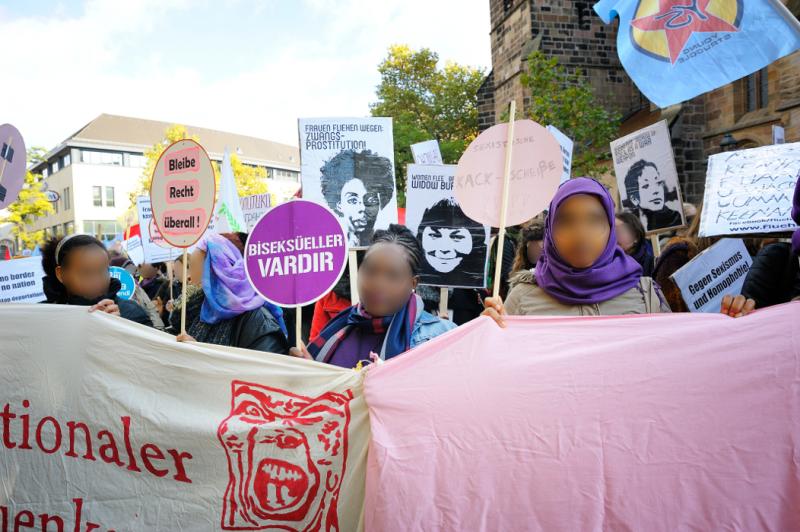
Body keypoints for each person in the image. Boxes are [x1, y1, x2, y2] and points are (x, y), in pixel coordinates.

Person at [482, 178, 756, 321]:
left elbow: (673, 362)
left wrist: (726, 324)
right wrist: (490, 332)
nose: (581, 235)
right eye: (566, 222)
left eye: (594, 221)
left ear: (611, 228)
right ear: (550, 231)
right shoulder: (522, 297)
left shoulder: (645, 293)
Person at [291, 224, 456, 368]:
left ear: (413, 283)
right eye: (370, 271)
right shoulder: (338, 329)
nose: (378, 284)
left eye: (393, 276)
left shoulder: (440, 338)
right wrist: (309, 372)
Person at [173, 233, 289, 353]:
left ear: (216, 273)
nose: (189, 278)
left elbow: (263, 368)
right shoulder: (203, 311)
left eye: (193, 269)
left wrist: (202, 356)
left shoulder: (258, 321)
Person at [41, 234, 153, 326]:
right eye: (86, 273)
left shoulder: (131, 312)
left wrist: (120, 330)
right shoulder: (43, 317)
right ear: (61, 274)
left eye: (102, 271)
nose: (96, 281)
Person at [320, 149, 395, 247]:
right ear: (339, 205)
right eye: (353, 200)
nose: (362, 208)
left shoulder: (389, 249)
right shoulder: (329, 251)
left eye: (371, 200)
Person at [415, 198, 488, 287]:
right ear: (421, 238)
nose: (444, 249)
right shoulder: (411, 296)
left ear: (475, 241)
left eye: (457, 237)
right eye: (434, 235)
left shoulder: (476, 294)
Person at [622, 160, 683, 232]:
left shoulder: (675, 218)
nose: (656, 191)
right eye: (646, 186)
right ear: (634, 199)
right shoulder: (632, 227)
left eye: (658, 183)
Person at [615, 211, 655, 277]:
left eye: (617, 231)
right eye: (610, 231)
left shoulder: (652, 264)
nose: (612, 237)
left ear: (636, 236)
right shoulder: (606, 262)